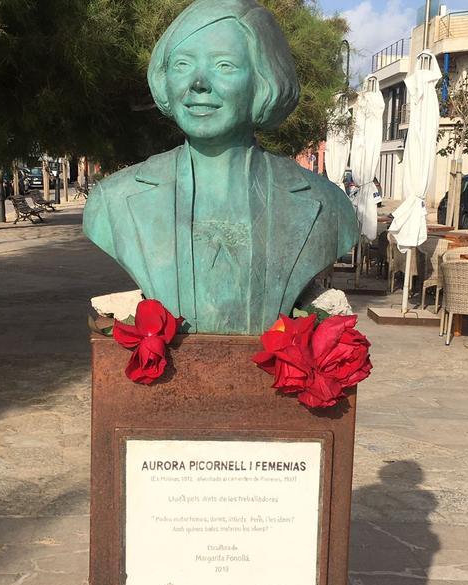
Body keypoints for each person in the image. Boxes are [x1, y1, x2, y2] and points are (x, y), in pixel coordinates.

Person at [84, 0, 358, 335]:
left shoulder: (327, 206)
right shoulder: (113, 201)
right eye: (182, 64)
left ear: (264, 81)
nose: (198, 82)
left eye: (224, 65)